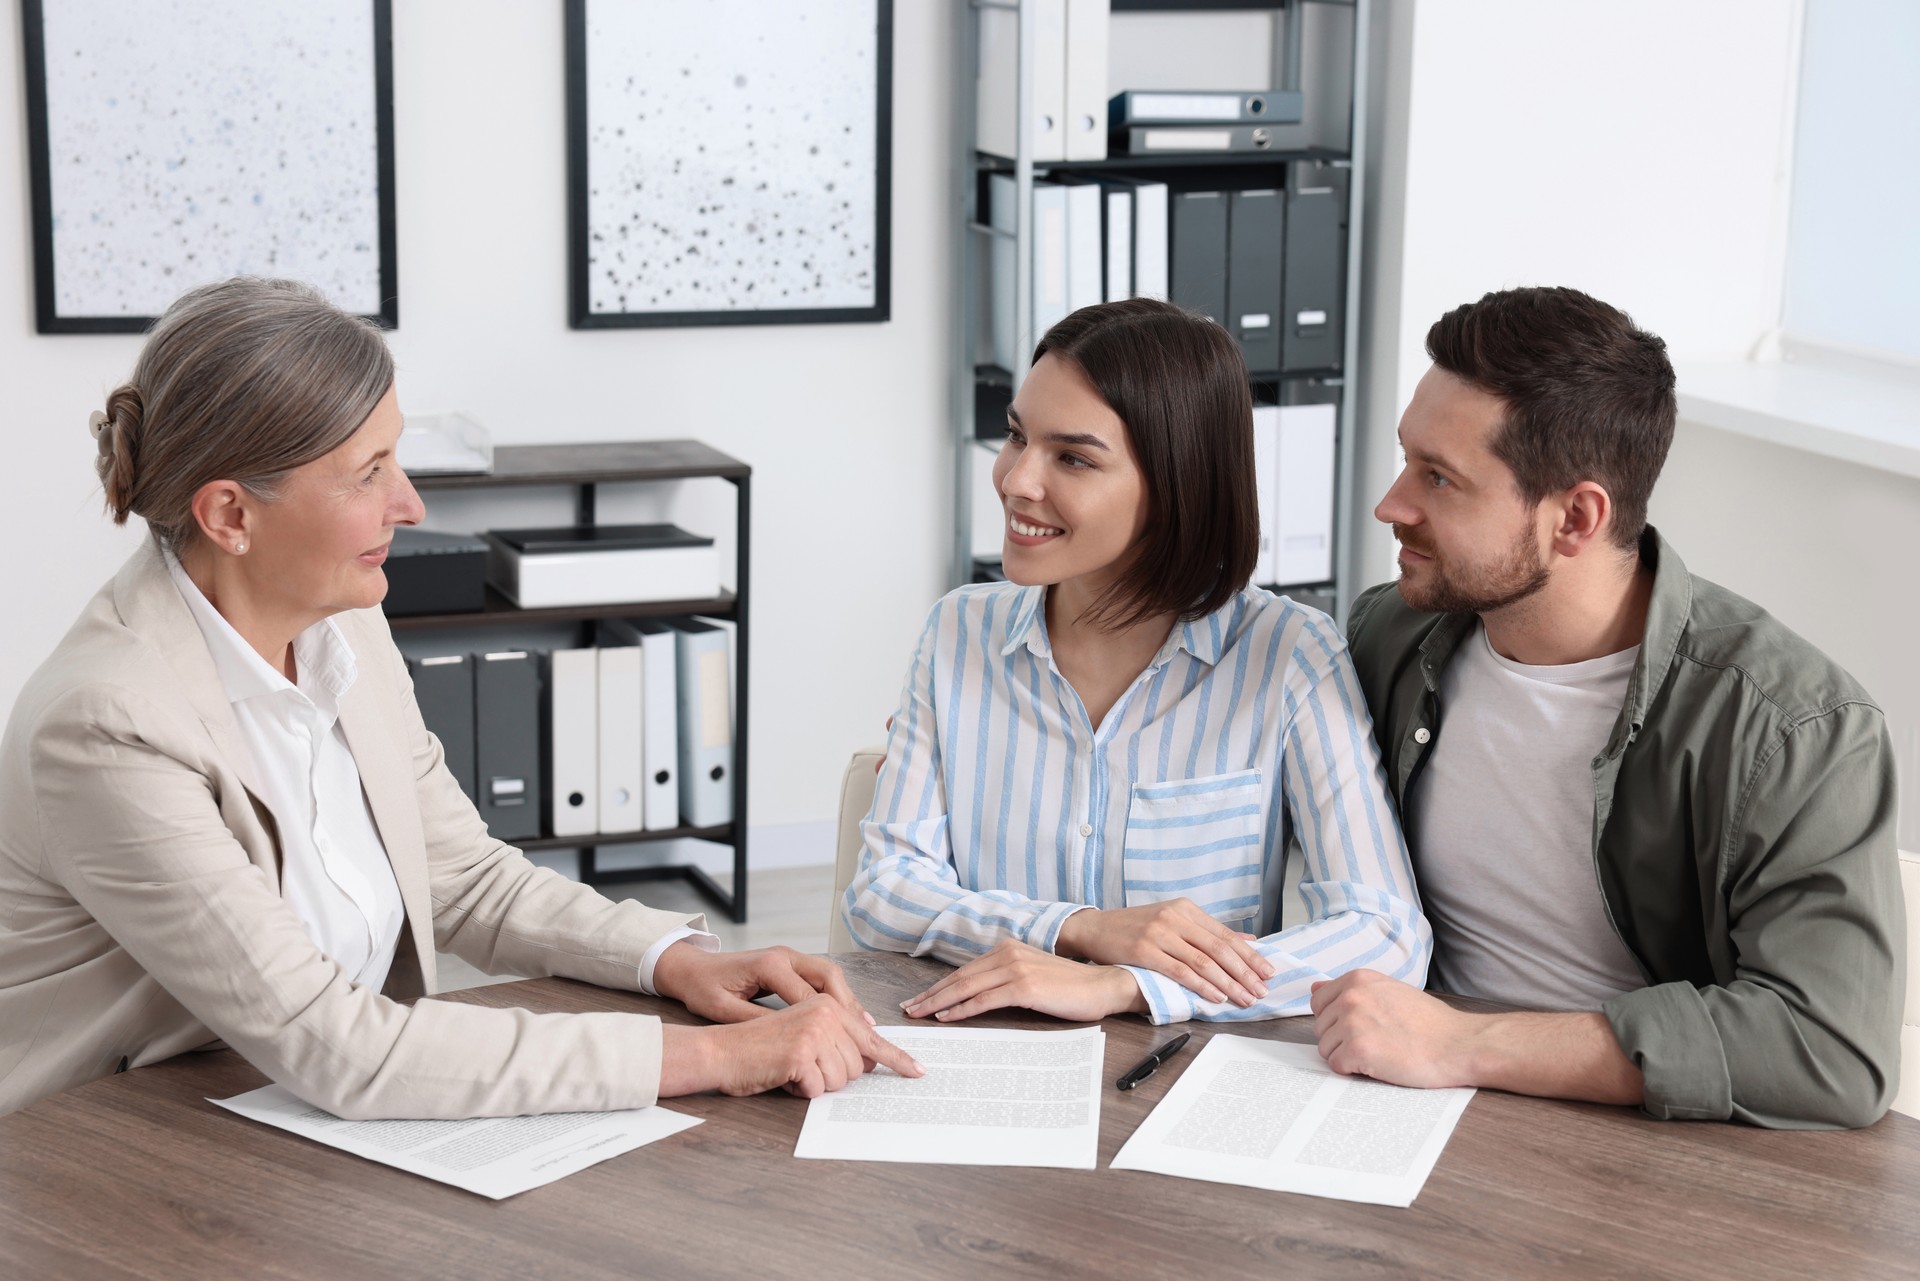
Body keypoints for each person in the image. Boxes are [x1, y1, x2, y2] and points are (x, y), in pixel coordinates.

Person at [0, 277, 920, 1120]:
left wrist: (677, 960)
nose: (411, 503)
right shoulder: (108, 727)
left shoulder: (338, 626)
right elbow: (340, 1047)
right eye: (368, 474)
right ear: (231, 515)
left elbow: (461, 878)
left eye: (397, 457)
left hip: (278, 1108)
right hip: (116, 1152)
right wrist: (717, 1055)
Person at [1313, 285, 1905, 1129]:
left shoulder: (1794, 727)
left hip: (1635, 1144)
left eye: (1439, 478)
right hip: (1392, 1097)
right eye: (1409, 458)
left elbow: (1830, 1046)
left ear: (1576, 518)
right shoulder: (1391, 634)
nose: (1392, 505)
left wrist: (1465, 1045)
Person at [843, 298, 1430, 1025]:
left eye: (1073, 458)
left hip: (1180, 1076)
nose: (1017, 480)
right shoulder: (958, 631)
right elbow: (884, 891)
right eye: (1016, 436)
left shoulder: (1289, 656)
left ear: (1177, 486)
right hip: (985, 1059)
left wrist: (1133, 985)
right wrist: (1074, 927)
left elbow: (1386, 933)